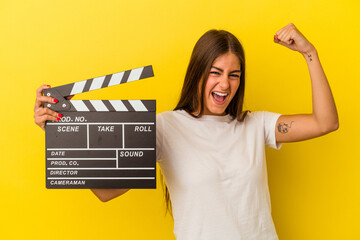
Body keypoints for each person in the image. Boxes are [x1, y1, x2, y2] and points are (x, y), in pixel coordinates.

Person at [34, 23, 339, 240]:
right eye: (215, 73)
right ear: (198, 72)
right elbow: (106, 191)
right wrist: (62, 131)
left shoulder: (255, 125)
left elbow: (325, 122)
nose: (225, 84)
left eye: (234, 75)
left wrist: (309, 52)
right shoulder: (165, 127)